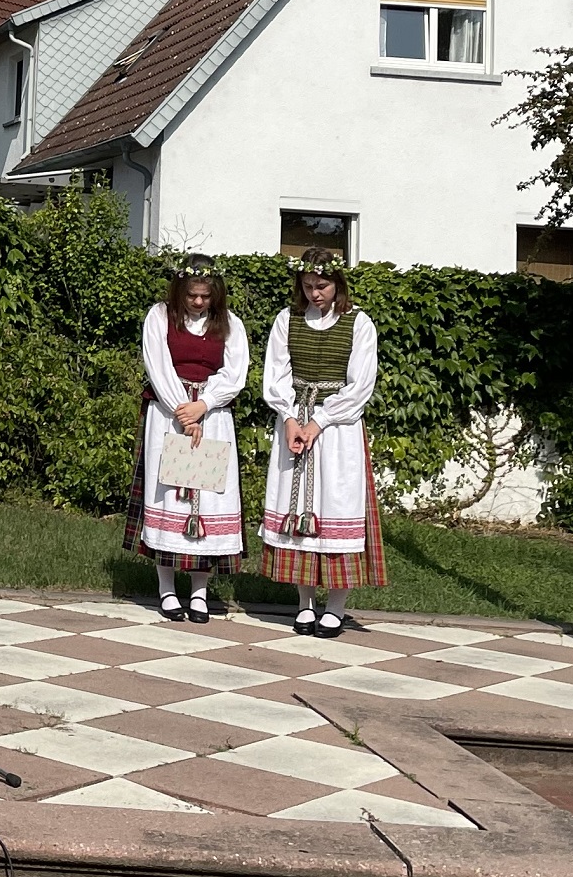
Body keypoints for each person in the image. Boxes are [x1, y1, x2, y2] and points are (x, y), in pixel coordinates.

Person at [259, 253, 384, 638]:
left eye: (323, 286)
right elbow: (276, 374)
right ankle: (304, 603)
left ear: (338, 285)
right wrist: (291, 419)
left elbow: (360, 384)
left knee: (336, 504)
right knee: (297, 508)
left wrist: (320, 421)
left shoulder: (358, 323)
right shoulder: (287, 320)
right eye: (308, 286)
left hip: (337, 428)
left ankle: (336, 606)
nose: (315, 293)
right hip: (295, 421)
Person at [126, 257, 250, 623]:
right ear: (180, 291)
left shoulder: (230, 324)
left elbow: (235, 371)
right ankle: (166, 590)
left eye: (205, 297)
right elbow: (158, 363)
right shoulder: (159, 316)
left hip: (212, 417)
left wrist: (204, 405)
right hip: (168, 415)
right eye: (192, 296)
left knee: (209, 500)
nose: (198, 303)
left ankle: (199, 592)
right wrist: (183, 410)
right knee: (169, 497)